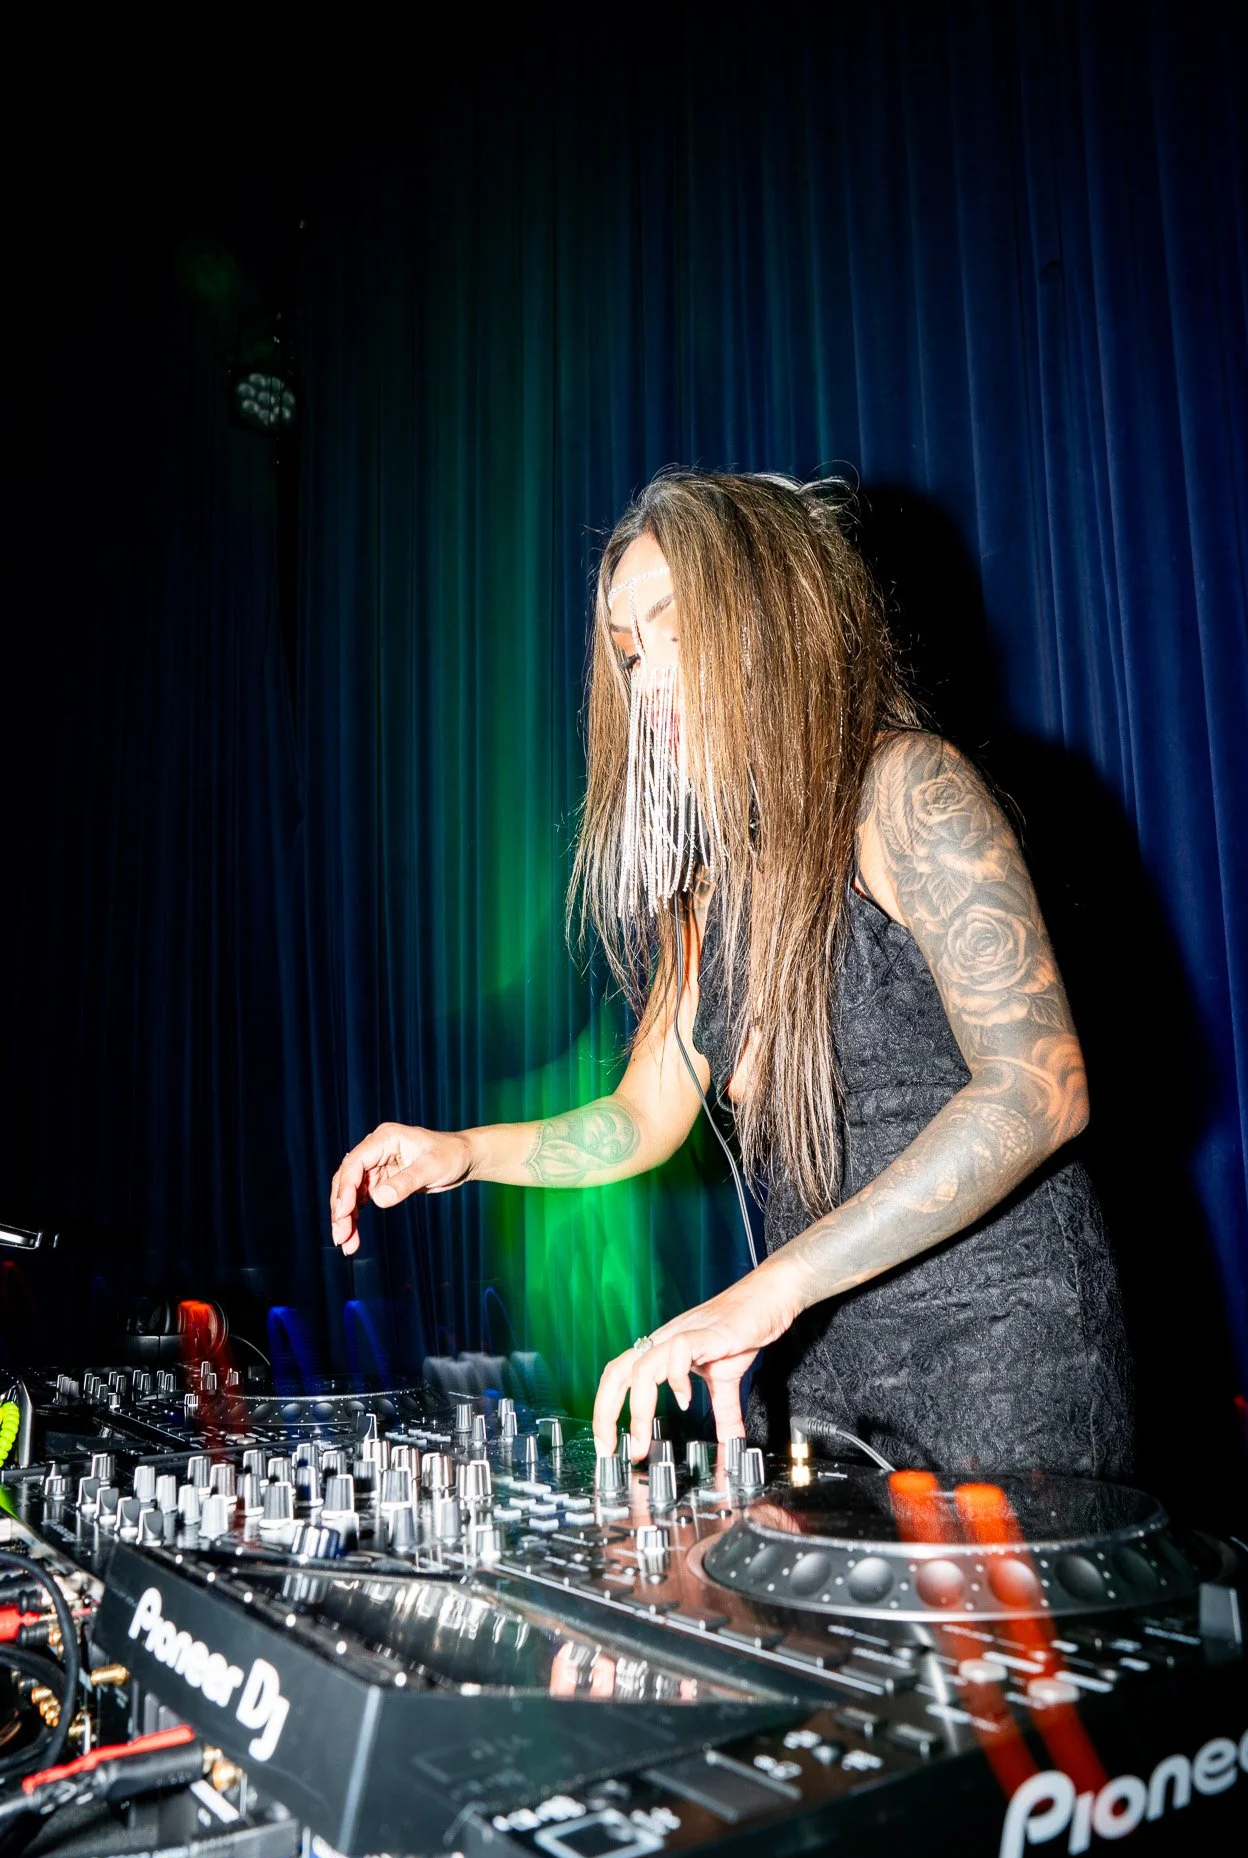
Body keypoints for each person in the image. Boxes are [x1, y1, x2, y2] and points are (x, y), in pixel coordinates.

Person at [329, 471, 1133, 1478]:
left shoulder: (905, 787)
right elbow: (642, 1116)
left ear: (768, 614)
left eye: (672, 628)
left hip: (1005, 1362)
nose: (646, 677)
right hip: (821, 1372)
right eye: (629, 653)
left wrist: (767, 1291)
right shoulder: (708, 889)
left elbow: (1037, 1090)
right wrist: (461, 1152)